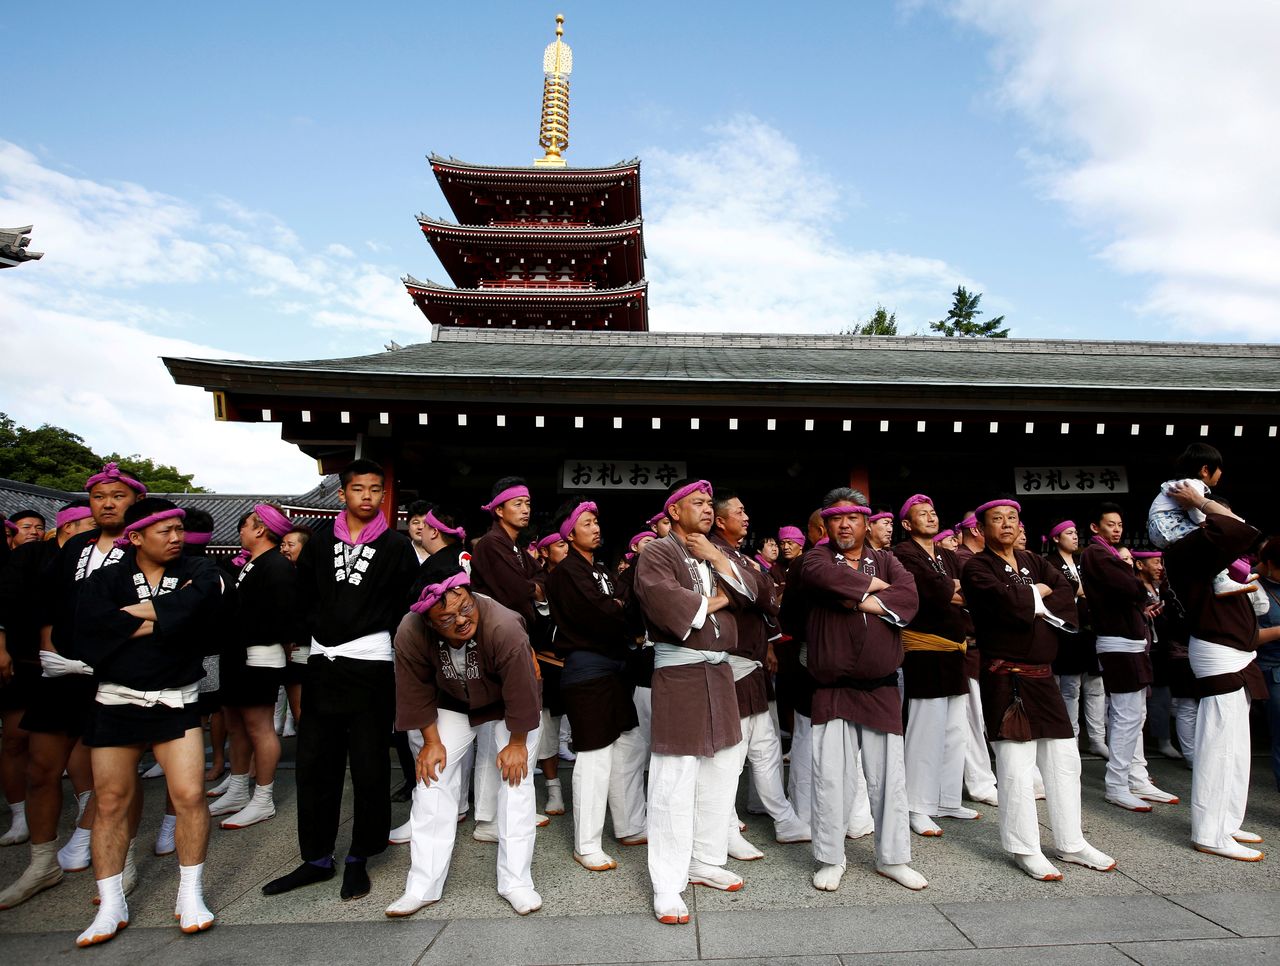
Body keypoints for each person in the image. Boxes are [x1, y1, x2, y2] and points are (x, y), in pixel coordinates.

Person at [262, 459, 418, 901]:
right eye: (358, 489)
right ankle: (316, 857)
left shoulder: (395, 546)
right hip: (323, 664)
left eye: (374, 489)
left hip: (371, 665)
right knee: (315, 764)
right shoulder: (320, 542)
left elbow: (407, 606)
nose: (367, 497)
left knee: (369, 766)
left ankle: (359, 857)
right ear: (342, 494)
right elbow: (301, 594)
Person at [72, 499, 223, 946]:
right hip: (116, 697)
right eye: (165, 531)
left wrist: (136, 617)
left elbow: (206, 619)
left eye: (179, 529)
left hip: (175, 697)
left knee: (190, 794)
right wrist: (170, 617)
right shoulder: (106, 579)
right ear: (135, 537)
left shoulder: (201, 570)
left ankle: (190, 893)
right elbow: (87, 633)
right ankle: (111, 901)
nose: (176, 537)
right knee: (112, 799)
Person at [0, 464, 142, 911]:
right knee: (42, 769)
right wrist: (48, 648)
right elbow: (49, 600)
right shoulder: (75, 545)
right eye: (99, 496)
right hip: (61, 669)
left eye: (117, 495)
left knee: (114, 776)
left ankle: (123, 857)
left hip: (114, 671)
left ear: (134, 500)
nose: (107, 503)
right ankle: (43, 861)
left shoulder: (143, 546)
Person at [961, 497, 1114, 881]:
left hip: (1043, 676)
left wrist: (1036, 597)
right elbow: (1007, 605)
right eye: (997, 519)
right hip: (1006, 677)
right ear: (981, 528)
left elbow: (1066, 591)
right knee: (1015, 767)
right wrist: (1037, 595)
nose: (1007, 524)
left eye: (1012, 518)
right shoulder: (977, 566)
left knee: (1064, 760)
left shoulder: (1034, 560)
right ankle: (1024, 848)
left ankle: (1071, 841)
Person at [387, 559, 544, 916]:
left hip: (509, 704)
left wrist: (517, 744)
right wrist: (430, 741)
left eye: (465, 608)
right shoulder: (410, 631)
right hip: (452, 702)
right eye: (447, 619)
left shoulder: (504, 625)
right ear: (428, 621)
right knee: (432, 776)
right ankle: (422, 886)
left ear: (469, 594)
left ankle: (516, 881)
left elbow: (522, 690)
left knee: (516, 782)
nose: (461, 620)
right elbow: (413, 689)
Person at [633, 479, 755, 925]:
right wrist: (720, 598)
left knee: (722, 768)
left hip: (719, 671)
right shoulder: (657, 552)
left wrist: (719, 560)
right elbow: (669, 604)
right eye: (698, 503)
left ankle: (704, 859)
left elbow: (755, 592)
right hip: (681, 671)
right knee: (675, 775)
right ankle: (668, 883)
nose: (707, 509)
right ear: (673, 512)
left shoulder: (714, 550)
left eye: (709, 503)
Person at [800, 489, 926, 893]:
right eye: (836, 518)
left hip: (882, 687)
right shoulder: (815, 558)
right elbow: (823, 578)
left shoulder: (889, 559)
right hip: (832, 688)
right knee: (832, 779)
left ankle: (892, 858)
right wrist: (871, 593)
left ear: (865, 522)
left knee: (889, 779)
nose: (845, 525)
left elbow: (908, 596)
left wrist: (853, 597)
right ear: (827, 524)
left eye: (853, 518)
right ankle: (830, 858)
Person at [1163, 482, 1267, 860]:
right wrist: (1201, 501)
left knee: (1238, 748)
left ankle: (1228, 822)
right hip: (1218, 652)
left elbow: (1239, 531)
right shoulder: (1186, 550)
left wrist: (1204, 505)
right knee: (1219, 747)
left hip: (1233, 650)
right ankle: (1210, 831)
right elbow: (1242, 530)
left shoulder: (1212, 553)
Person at [545, 501, 648, 871]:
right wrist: (619, 608)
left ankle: (630, 824)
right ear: (570, 534)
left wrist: (620, 603)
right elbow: (600, 614)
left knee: (628, 742)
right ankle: (586, 843)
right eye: (587, 523)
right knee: (593, 754)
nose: (595, 528)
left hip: (615, 667)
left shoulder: (600, 569)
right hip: (587, 669)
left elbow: (625, 605)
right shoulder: (564, 573)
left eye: (596, 522)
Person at [709, 491, 810, 857]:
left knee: (766, 748)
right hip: (729, 666)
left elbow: (765, 599)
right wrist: (759, 587)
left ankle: (783, 818)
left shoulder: (740, 557)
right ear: (720, 520)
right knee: (731, 754)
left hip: (753, 667)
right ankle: (723, 824)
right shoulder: (711, 553)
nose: (746, 516)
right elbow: (760, 596)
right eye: (739, 511)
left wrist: (760, 589)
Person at [0, 502, 94, 848]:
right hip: (26, 660)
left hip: (81, 667)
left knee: (83, 742)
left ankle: (86, 817)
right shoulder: (31, 557)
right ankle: (21, 815)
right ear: (68, 527)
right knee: (17, 738)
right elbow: (6, 601)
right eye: (89, 523)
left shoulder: (101, 557)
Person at [471, 477, 560, 832]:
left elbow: (541, 581)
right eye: (518, 503)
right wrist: (535, 587)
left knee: (501, 731)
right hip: (498, 643)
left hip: (513, 639)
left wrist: (535, 586)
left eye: (527, 503)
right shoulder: (492, 545)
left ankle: (495, 815)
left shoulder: (514, 547)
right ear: (498, 509)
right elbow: (518, 590)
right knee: (498, 731)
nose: (526, 509)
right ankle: (490, 818)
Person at [892, 494, 980, 838]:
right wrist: (953, 588)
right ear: (906, 524)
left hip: (954, 650)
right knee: (925, 731)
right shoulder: (904, 554)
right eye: (922, 514)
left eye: (932, 512)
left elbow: (965, 588)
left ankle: (945, 799)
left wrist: (954, 588)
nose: (930, 518)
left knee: (955, 730)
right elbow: (930, 591)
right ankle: (916, 805)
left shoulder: (946, 554)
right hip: (923, 651)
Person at [1081, 503, 1178, 811]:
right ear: (1096, 527)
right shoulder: (1095, 554)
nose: (1117, 529)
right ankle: (1117, 783)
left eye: (1120, 524)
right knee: (1125, 716)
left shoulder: (1107, 554)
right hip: (1117, 643)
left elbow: (1129, 588)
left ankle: (1136, 777)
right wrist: (1142, 592)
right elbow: (1128, 584)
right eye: (1110, 524)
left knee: (1136, 715)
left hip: (1130, 642)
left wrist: (1141, 599)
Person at [209, 504, 296, 830]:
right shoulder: (256, 563)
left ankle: (263, 798)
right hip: (239, 654)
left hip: (259, 655)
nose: (240, 532)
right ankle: (237, 787)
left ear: (260, 529)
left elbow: (283, 617)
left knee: (259, 726)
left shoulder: (277, 566)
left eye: (243, 526)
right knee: (236, 725)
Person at [1149, 443, 1256, 596]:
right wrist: (1205, 524)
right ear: (1205, 470)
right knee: (1212, 543)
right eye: (1219, 468)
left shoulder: (1181, 483)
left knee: (1205, 551)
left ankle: (1237, 573)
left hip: (1161, 529)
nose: (1221, 473)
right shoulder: (1193, 484)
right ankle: (1223, 581)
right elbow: (1195, 511)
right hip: (1168, 525)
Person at [1044, 520, 1109, 759]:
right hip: (1068, 633)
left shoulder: (1083, 562)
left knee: (1096, 687)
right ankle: (1070, 736)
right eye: (1068, 533)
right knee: (1070, 688)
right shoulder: (1050, 564)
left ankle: (1097, 739)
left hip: (1091, 632)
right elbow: (1074, 590)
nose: (1074, 537)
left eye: (1075, 533)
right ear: (1055, 539)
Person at [952, 511, 999, 807]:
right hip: (967, 647)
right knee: (973, 717)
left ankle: (991, 777)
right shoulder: (962, 558)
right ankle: (980, 781)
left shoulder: (990, 558)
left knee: (988, 714)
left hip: (990, 649)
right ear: (977, 530)